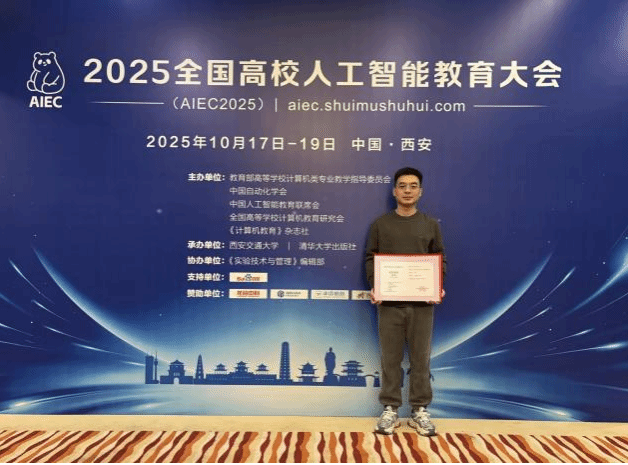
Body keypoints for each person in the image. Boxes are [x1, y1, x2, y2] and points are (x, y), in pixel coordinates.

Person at [365, 167, 446, 436]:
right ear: (394, 191)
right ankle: (390, 408)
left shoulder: (430, 224)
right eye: (402, 186)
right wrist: (375, 285)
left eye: (413, 186)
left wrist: (438, 285)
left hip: (423, 304)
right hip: (389, 303)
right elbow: (371, 258)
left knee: (421, 359)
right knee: (390, 358)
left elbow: (439, 258)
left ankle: (419, 410)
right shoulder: (381, 224)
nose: (408, 190)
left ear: (420, 191)